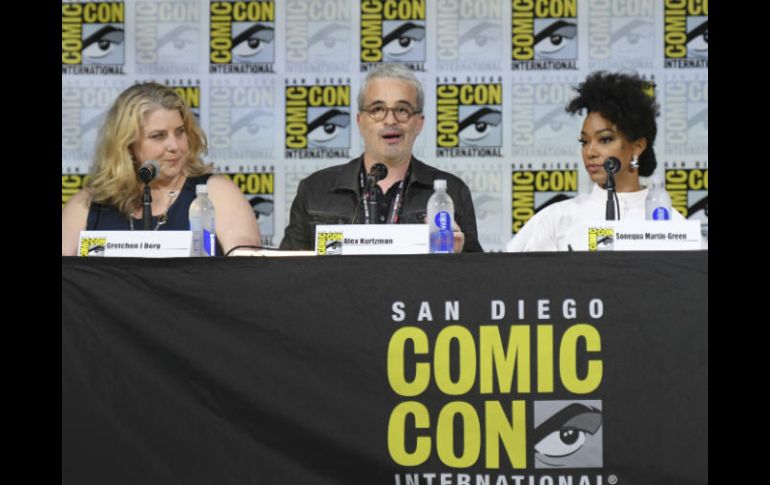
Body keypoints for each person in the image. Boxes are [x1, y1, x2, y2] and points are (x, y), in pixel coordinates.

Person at [280, 63, 482, 252]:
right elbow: (286, 272)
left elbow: (479, 278)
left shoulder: (452, 193)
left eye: (402, 110)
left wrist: (458, 258)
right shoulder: (316, 190)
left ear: (419, 123)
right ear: (360, 121)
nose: (390, 120)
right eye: (378, 110)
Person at [62, 82, 260, 256]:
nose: (175, 146)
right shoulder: (88, 205)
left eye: (180, 132)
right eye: (158, 136)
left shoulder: (215, 193)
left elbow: (246, 268)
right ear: (128, 145)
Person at [506, 71, 690, 252]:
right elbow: (509, 274)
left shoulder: (671, 225)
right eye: (584, 142)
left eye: (605, 139)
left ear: (637, 146)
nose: (590, 151)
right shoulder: (557, 219)